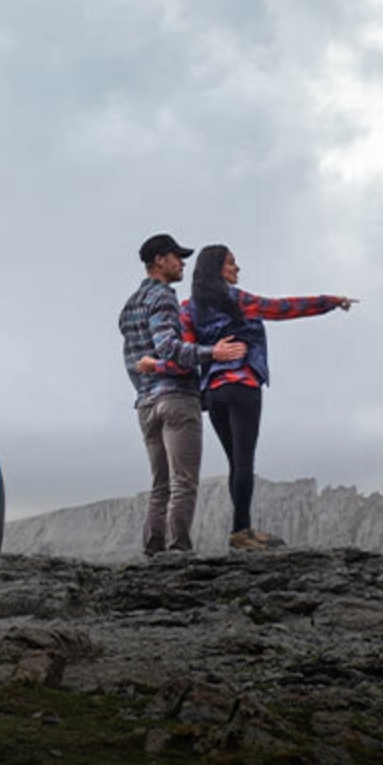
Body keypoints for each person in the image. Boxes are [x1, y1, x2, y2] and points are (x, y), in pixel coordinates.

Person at [182, 243, 354, 551]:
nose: (237, 268)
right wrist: (331, 301)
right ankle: (241, 532)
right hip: (243, 383)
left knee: (234, 461)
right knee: (245, 460)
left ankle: (243, 529)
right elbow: (285, 308)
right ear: (217, 269)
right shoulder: (238, 300)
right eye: (231, 263)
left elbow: (189, 351)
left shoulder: (188, 308)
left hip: (213, 392)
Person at [119, 233, 245, 558]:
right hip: (175, 399)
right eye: (177, 257)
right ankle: (178, 553)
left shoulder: (129, 305)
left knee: (160, 485)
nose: (183, 263)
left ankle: (153, 553)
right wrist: (212, 352)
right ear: (160, 260)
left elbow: (135, 360)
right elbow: (169, 348)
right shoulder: (162, 297)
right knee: (183, 483)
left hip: (145, 404)